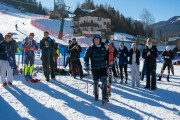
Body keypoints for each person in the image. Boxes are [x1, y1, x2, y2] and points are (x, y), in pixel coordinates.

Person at [84, 34, 109, 103]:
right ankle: (96, 95)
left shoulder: (104, 47)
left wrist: (109, 62)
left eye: (97, 39)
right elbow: (86, 57)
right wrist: (86, 64)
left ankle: (105, 97)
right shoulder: (91, 48)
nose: (96, 41)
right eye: (95, 39)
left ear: (100, 40)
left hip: (103, 67)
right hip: (95, 68)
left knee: (104, 81)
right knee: (96, 82)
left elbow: (106, 56)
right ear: (93, 40)